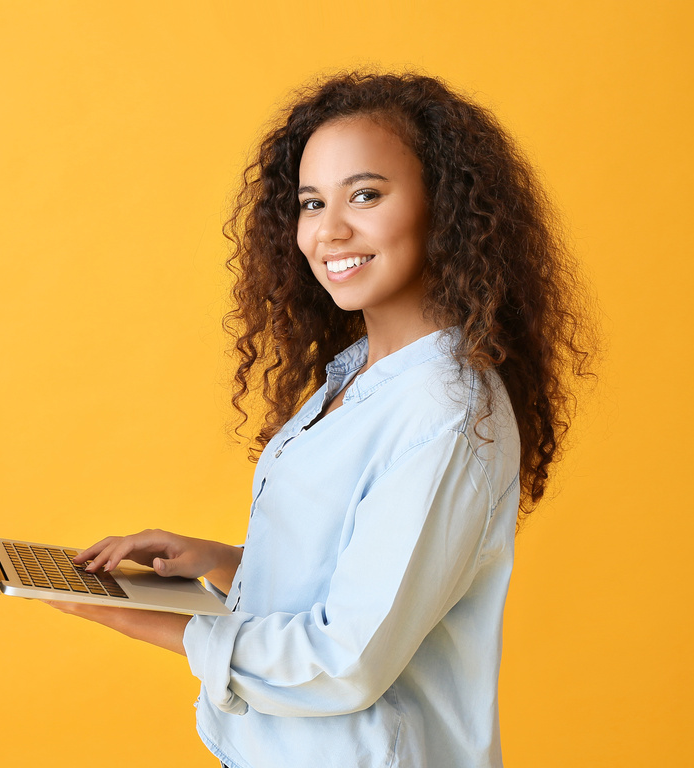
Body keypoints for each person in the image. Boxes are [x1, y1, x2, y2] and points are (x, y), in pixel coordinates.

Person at [43, 71, 592, 768]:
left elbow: (347, 660)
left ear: (443, 208)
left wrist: (136, 617)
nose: (330, 230)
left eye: (366, 195)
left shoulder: (444, 411)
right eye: (311, 202)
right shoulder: (355, 375)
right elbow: (363, 581)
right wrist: (219, 564)